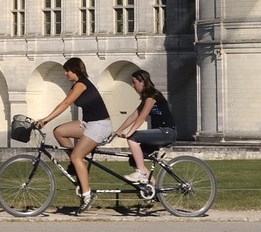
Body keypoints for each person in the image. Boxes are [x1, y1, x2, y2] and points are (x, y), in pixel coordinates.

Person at [33, 57, 113, 211]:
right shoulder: (76, 85)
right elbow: (64, 101)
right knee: (59, 132)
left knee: (77, 156)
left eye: (67, 71)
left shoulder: (82, 84)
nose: (65, 74)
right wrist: (47, 120)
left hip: (100, 125)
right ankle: (76, 166)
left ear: (75, 71)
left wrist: (45, 120)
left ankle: (87, 196)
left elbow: (65, 104)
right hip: (89, 123)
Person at [113, 69, 173, 185]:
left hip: (167, 131)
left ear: (142, 82)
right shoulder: (146, 98)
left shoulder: (152, 96)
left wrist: (130, 133)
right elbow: (133, 116)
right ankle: (156, 190)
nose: (132, 85)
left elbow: (142, 117)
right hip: (159, 132)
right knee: (134, 160)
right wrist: (118, 130)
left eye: (134, 82)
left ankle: (140, 172)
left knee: (133, 138)